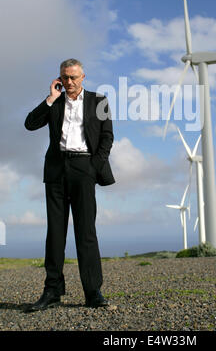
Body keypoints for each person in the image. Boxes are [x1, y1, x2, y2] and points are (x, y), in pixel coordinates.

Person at [24, 58, 115, 312]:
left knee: (86, 233)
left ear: (83, 77)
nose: (70, 82)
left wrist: (93, 166)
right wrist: (50, 98)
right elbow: (30, 124)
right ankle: (52, 290)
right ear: (59, 79)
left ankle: (92, 291)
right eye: (65, 78)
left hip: (84, 168)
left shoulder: (100, 101)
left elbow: (108, 137)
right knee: (55, 233)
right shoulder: (55, 102)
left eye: (74, 77)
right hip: (56, 171)